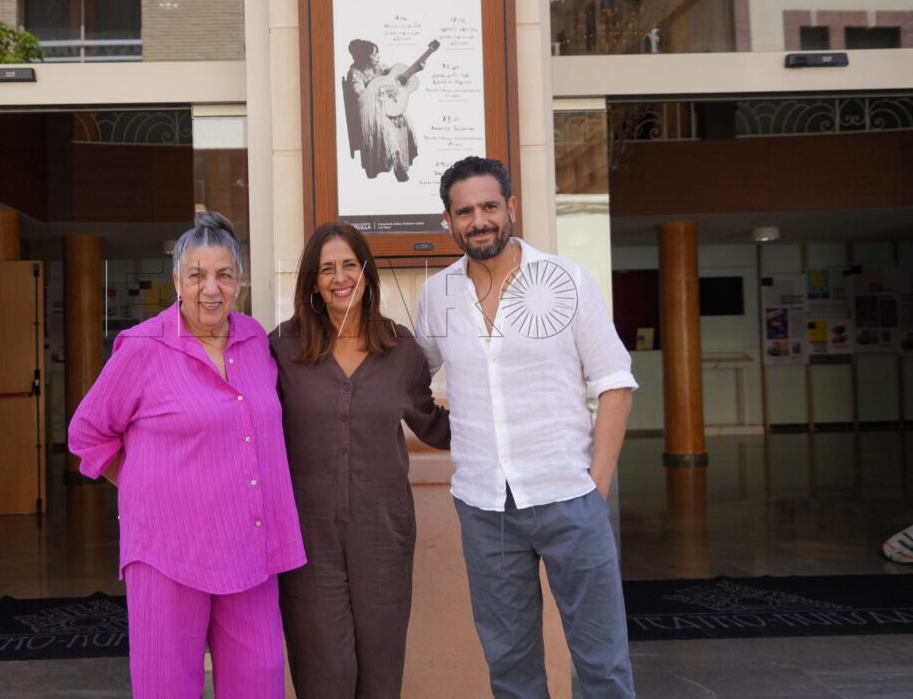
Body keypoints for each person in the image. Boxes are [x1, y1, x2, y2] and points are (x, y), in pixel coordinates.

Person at [415, 157, 638, 699]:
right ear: (448, 220)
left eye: (489, 206)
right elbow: (409, 377)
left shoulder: (565, 280)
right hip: (484, 505)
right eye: (464, 211)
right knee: (511, 670)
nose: (479, 220)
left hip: (569, 495)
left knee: (602, 663)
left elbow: (615, 382)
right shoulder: (438, 295)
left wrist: (596, 486)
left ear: (511, 207)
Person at [68, 211, 305, 699]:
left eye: (223, 275)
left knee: (260, 680)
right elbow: (87, 432)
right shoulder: (143, 347)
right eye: (197, 275)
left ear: (239, 281)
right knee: (166, 686)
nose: (210, 289)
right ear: (177, 280)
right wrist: (145, 483)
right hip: (167, 551)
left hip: (249, 546)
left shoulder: (255, 340)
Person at [269, 221, 449, 699]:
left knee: (380, 675)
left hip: (383, 534)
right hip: (306, 539)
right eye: (327, 268)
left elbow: (432, 423)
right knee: (323, 674)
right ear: (313, 282)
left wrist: (506, 418)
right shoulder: (281, 346)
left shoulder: (400, 347)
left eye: (349, 264)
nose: (340, 277)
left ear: (367, 273)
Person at [342, 38, 418, 181]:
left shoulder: (381, 67)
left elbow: (397, 79)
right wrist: (382, 90)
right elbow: (361, 96)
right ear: (365, 56)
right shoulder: (355, 73)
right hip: (369, 111)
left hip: (386, 105)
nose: (379, 57)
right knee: (385, 126)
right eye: (375, 54)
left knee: (404, 116)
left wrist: (416, 69)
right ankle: (397, 162)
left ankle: (404, 157)